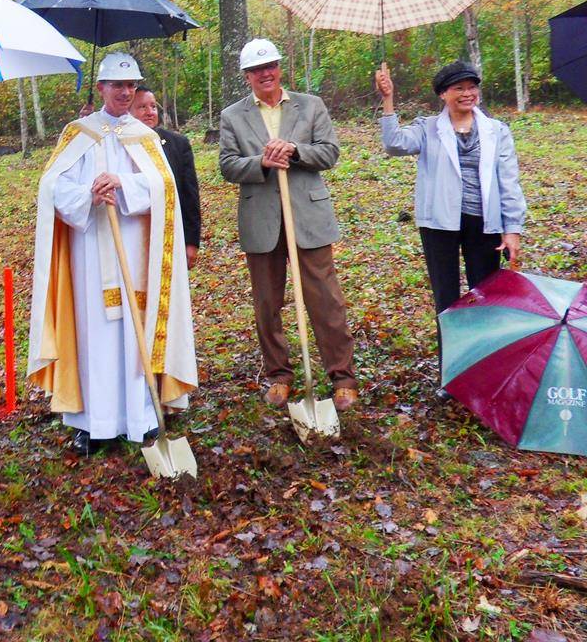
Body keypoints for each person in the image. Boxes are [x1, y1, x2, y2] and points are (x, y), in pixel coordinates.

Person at [29, 53, 198, 454]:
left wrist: (122, 186)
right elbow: (52, 188)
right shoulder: (77, 133)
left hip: (137, 254)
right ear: (101, 88)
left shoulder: (145, 136)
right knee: (92, 335)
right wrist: (89, 195)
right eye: (117, 85)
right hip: (89, 253)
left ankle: (141, 418)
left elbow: (164, 189)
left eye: (131, 86)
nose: (125, 92)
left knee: (134, 330)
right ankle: (92, 424)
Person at [219, 39, 357, 411]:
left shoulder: (311, 106)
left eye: (271, 66)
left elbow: (329, 152)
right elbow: (228, 165)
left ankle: (342, 377)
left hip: (308, 217)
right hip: (261, 221)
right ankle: (278, 375)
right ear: (247, 76)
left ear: (280, 68)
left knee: (326, 300)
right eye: (257, 70)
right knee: (267, 303)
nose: (266, 74)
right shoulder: (233, 116)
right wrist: (261, 162)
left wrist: (295, 152)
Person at [375, 61, 525, 313]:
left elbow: (509, 182)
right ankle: (451, 351)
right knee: (446, 296)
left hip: (484, 221)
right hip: (439, 222)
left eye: (472, 87)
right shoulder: (428, 127)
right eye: (459, 88)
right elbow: (394, 144)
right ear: (443, 94)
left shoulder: (496, 130)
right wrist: (388, 99)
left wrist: (512, 229)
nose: (467, 94)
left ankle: (482, 351)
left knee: (486, 294)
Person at [129, 86, 201, 269]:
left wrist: (191, 241)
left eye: (153, 106)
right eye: (142, 107)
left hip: (171, 234)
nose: (149, 112)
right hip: (133, 235)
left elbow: (189, 195)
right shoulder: (121, 146)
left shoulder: (177, 144)